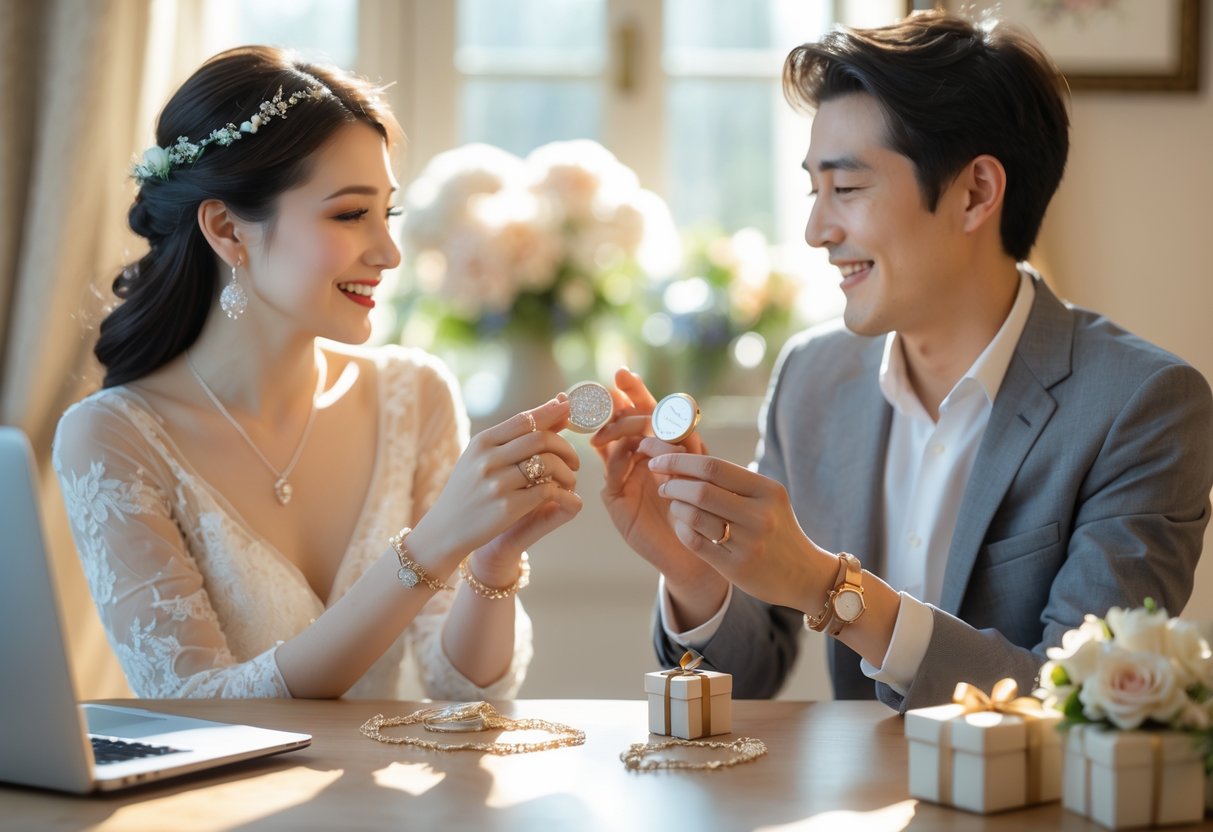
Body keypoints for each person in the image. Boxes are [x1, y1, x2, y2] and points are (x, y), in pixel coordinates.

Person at [593, 11, 1213, 711]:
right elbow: (751, 676)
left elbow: (1073, 704)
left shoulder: (1144, 405)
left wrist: (831, 590)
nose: (816, 230)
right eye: (814, 190)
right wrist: (693, 570)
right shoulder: (811, 377)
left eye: (846, 189)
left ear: (975, 193)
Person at [52, 46, 582, 699]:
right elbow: (195, 705)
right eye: (350, 214)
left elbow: (464, 692)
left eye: (387, 214)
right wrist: (430, 546)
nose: (388, 253)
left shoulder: (415, 397)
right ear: (227, 229)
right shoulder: (112, 438)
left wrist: (492, 562)